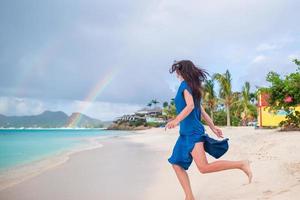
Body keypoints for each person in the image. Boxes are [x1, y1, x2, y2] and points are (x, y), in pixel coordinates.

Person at [165, 60, 252, 200]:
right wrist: (212, 126)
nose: (176, 73)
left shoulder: (185, 86)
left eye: (177, 70)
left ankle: (241, 164)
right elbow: (202, 110)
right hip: (185, 134)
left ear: (181, 71)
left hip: (193, 133)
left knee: (203, 168)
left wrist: (176, 120)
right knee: (176, 164)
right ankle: (189, 197)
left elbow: (191, 106)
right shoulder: (191, 87)